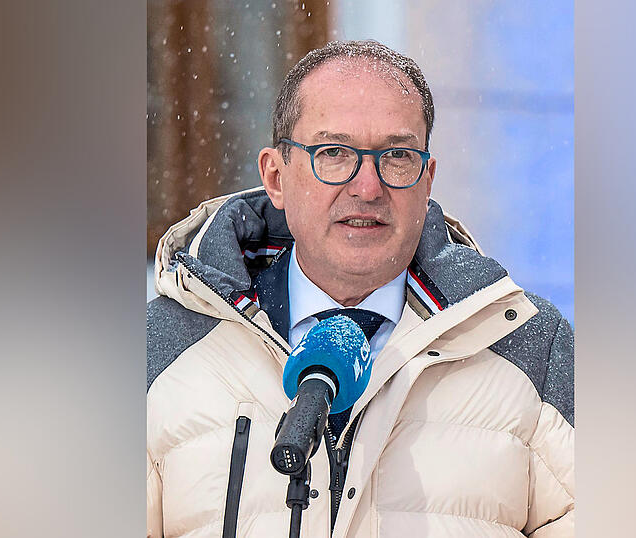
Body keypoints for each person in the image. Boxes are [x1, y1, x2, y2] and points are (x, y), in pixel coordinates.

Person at [147, 40, 574, 538]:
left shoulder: (530, 347)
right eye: (333, 153)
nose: (367, 187)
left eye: (396, 155)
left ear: (428, 179)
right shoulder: (162, 348)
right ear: (275, 176)